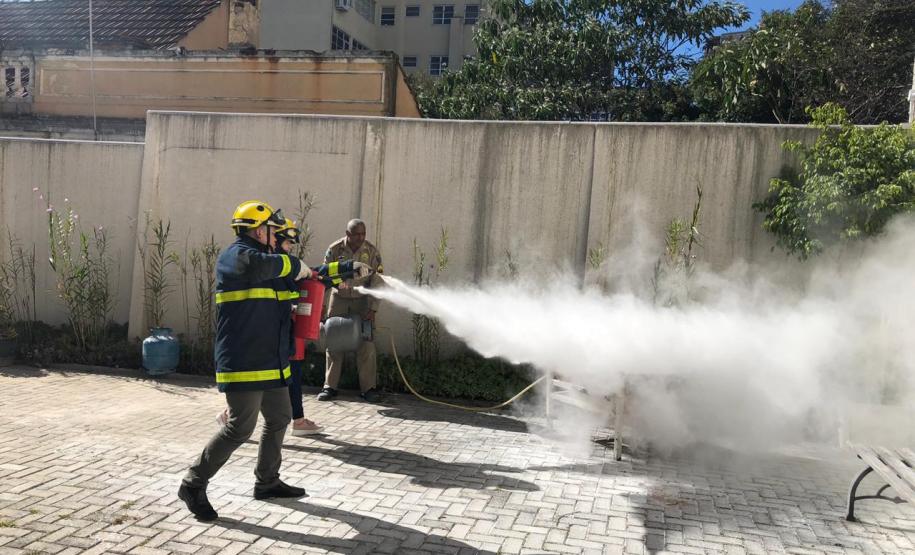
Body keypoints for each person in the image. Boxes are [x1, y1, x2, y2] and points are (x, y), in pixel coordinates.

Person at [178, 200, 313, 522]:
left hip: (271, 359)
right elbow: (271, 267)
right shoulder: (236, 256)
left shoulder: (267, 260)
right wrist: (297, 266)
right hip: (244, 359)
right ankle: (193, 484)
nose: (277, 234)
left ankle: (267, 482)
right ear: (257, 229)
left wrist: (337, 273)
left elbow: (297, 282)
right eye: (272, 229)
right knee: (241, 427)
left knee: (280, 417)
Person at [317, 218, 384, 403]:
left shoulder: (371, 251)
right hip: (338, 300)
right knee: (334, 340)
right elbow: (324, 275)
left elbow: (378, 281)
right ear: (348, 234)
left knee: (367, 342)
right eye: (357, 234)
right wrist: (321, 305)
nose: (361, 237)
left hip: (363, 302)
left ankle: (368, 388)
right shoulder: (335, 249)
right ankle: (329, 387)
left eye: (364, 233)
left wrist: (373, 309)